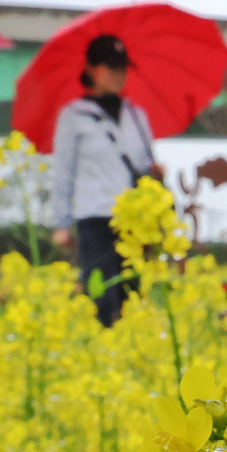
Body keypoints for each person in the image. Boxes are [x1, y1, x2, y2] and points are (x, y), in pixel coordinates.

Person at [50, 34, 163, 326]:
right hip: (96, 218)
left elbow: (144, 164)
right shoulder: (74, 116)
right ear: (90, 69)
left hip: (135, 221)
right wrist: (62, 223)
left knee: (135, 296)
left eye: (122, 68)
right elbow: (63, 170)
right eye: (110, 67)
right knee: (103, 299)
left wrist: (156, 173)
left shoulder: (136, 115)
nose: (118, 75)